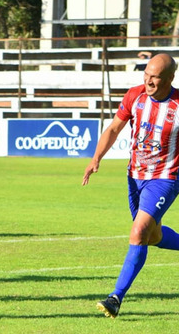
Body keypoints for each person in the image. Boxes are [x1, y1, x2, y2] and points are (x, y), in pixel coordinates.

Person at [83, 53, 179, 319]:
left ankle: (116, 297)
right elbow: (114, 128)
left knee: (138, 232)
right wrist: (96, 158)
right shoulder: (135, 96)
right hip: (135, 176)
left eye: (155, 77)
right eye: (146, 75)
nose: (148, 81)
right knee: (153, 236)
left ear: (170, 78)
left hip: (165, 178)